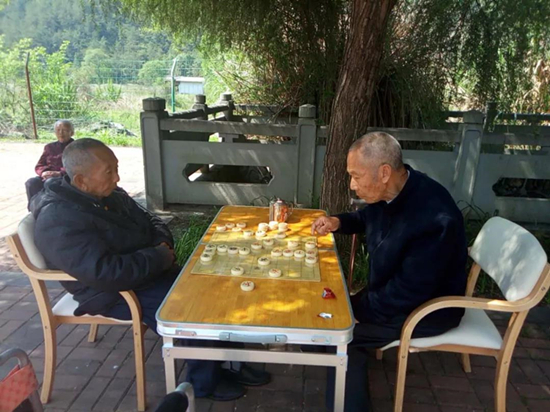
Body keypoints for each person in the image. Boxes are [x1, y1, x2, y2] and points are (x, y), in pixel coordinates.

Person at [30, 138, 269, 402]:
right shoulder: (58, 219)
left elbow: (152, 220)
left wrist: (161, 246)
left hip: (145, 271)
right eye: (109, 172)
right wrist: (158, 257)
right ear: (81, 181)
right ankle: (204, 382)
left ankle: (230, 362)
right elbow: (105, 273)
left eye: (116, 168)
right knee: (191, 306)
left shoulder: (109, 195)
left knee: (212, 284)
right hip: (113, 291)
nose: (117, 177)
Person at [311, 132, 468, 412]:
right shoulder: (394, 189)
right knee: (320, 319)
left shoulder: (435, 218)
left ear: (384, 172)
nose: (352, 185)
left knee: (342, 337)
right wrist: (338, 222)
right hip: (389, 294)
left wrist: (359, 314)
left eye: (356, 176)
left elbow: (408, 293)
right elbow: (367, 217)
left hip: (426, 310)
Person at [24, 120, 74, 210]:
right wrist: (44, 172)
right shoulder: (49, 147)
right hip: (48, 176)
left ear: (72, 132)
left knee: (50, 182)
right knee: (31, 183)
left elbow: (77, 166)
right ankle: (34, 209)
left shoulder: (76, 147)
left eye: (65, 130)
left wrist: (59, 173)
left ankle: (51, 210)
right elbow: (40, 165)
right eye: (58, 130)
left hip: (66, 177)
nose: (61, 133)